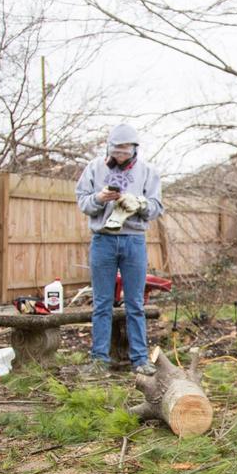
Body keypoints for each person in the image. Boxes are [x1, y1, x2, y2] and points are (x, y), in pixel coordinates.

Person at [74, 123, 164, 375]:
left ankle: (140, 360)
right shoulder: (94, 168)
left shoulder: (147, 172)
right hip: (102, 240)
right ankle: (99, 361)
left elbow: (157, 207)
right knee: (102, 303)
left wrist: (140, 204)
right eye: (116, 151)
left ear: (134, 149)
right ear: (109, 148)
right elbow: (82, 201)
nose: (120, 155)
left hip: (134, 241)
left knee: (135, 303)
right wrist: (98, 198)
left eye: (125, 151)